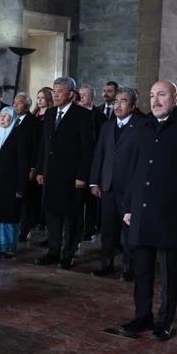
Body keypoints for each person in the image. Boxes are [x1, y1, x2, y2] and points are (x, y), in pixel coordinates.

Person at [118, 80, 177, 341]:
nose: (155, 100)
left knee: (169, 270)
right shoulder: (143, 126)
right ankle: (141, 316)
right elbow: (134, 170)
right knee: (142, 269)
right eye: (152, 95)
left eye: (162, 95)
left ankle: (165, 320)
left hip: (171, 210)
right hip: (141, 209)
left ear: (175, 98)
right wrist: (129, 206)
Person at [35, 76, 95, 269]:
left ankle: (68, 254)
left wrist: (82, 176)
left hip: (71, 177)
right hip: (51, 174)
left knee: (71, 218)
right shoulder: (50, 113)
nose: (56, 95)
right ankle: (53, 251)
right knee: (52, 215)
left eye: (60, 91)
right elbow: (43, 144)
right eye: (54, 91)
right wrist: (40, 169)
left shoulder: (82, 115)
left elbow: (87, 149)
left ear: (71, 94)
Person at [89, 87, 144, 279]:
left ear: (133, 105)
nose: (118, 105)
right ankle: (106, 264)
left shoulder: (142, 126)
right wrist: (94, 182)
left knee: (129, 232)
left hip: (130, 189)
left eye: (123, 101)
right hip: (108, 186)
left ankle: (129, 268)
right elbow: (99, 154)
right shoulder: (107, 126)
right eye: (116, 102)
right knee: (107, 230)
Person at [0, 106, 29, 258]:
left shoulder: (19, 135)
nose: (1, 118)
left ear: (12, 118)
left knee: (8, 217)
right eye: (0, 116)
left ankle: (8, 248)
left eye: (5, 116)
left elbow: (23, 164)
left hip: (11, 184)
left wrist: (21, 187)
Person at [12, 92, 42, 242]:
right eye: (14, 102)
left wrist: (34, 168)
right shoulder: (12, 120)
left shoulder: (34, 123)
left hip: (26, 167)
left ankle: (25, 229)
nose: (15, 105)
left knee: (26, 201)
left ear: (27, 105)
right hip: (12, 167)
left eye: (19, 103)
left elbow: (37, 148)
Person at [80, 83, 107, 241]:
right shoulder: (74, 113)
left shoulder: (100, 116)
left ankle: (89, 229)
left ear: (92, 97)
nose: (82, 97)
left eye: (85, 94)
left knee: (91, 200)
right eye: (81, 94)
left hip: (93, 163)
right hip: (78, 163)